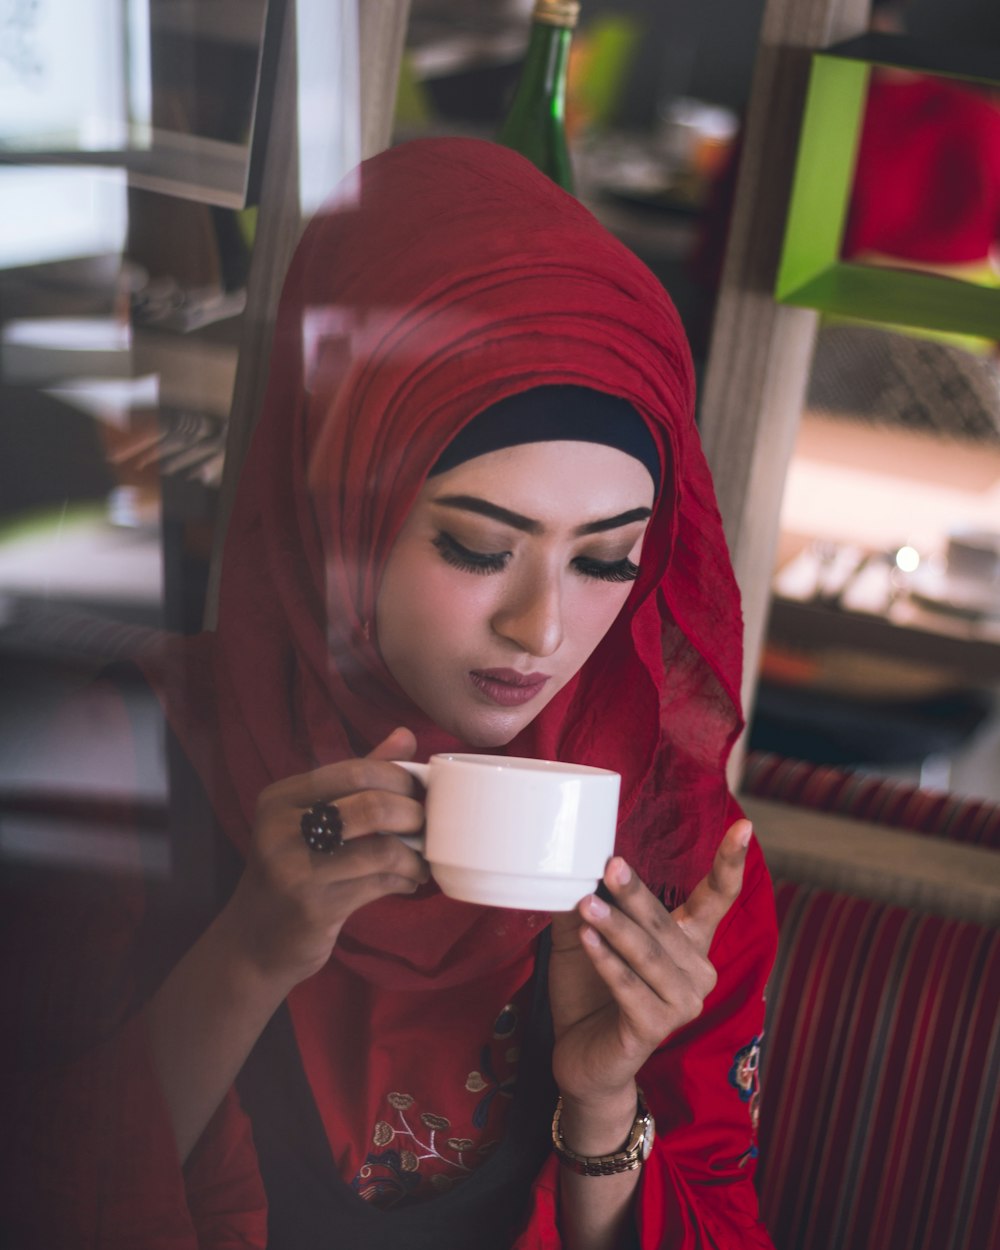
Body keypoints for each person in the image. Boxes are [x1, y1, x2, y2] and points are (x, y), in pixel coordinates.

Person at [0, 138, 776, 1250]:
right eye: (473, 544)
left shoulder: (671, 855)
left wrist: (602, 1107)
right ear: (340, 512)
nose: (542, 627)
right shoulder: (117, 761)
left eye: (606, 560)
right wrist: (251, 949)